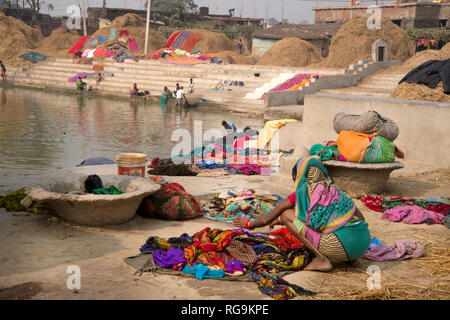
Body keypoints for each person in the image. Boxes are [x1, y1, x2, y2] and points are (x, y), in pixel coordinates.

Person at [233, 156, 371, 272]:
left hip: (340, 245)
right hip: (363, 244)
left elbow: (267, 218)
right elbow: (361, 218)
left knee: (287, 215)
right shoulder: (335, 191)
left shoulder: (301, 194)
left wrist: (249, 223)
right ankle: (351, 259)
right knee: (336, 226)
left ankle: (323, 260)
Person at [336, 131, 404, 163]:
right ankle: (394, 148)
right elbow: (365, 136)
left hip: (358, 157)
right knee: (376, 139)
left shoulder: (340, 147)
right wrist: (372, 137)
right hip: (364, 150)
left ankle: (393, 149)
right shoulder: (344, 133)